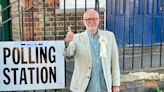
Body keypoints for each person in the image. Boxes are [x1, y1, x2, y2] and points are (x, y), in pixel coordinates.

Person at [64, 9, 120, 92]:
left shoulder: (109, 36)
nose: (91, 22)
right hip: (84, 86)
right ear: (84, 22)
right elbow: (68, 54)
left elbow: (115, 62)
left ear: (99, 20)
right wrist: (67, 42)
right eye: (88, 19)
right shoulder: (76, 38)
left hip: (103, 85)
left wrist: (116, 84)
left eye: (94, 19)